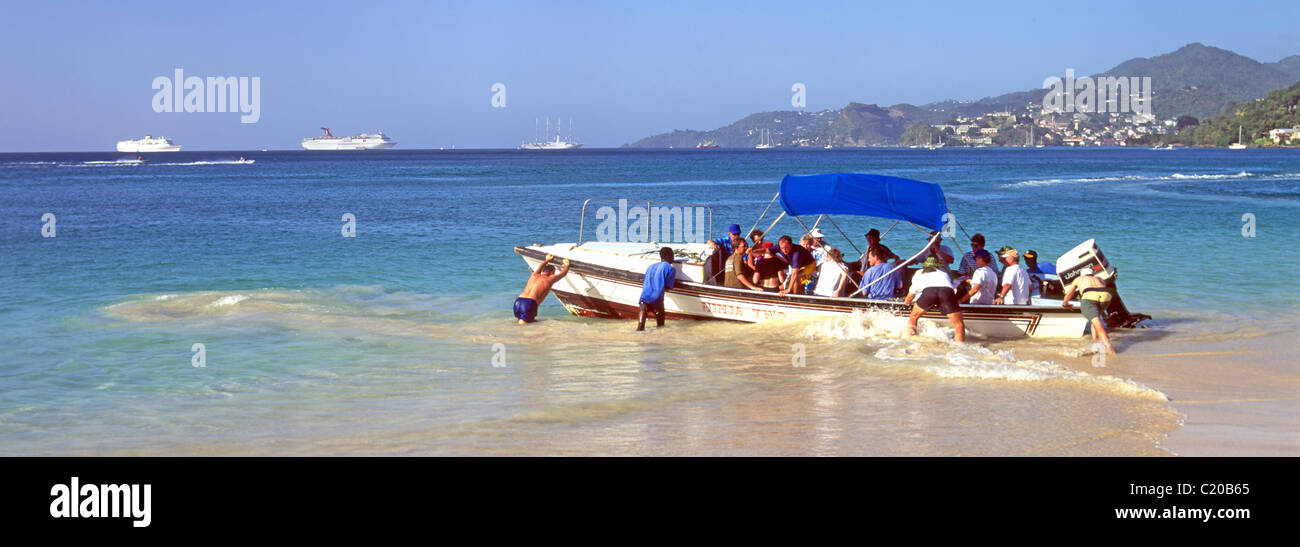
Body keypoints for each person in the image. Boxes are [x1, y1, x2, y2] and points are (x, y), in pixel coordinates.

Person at [903, 257, 965, 342]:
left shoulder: (919, 276)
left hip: (930, 292)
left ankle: (909, 340)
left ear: (924, 266)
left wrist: (906, 303)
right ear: (937, 267)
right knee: (959, 325)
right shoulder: (943, 274)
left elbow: (910, 295)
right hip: (946, 292)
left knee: (913, 317)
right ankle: (959, 347)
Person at [1062, 274, 1117, 355]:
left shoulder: (1079, 279)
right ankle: (1095, 343)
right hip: (1106, 296)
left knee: (1099, 326)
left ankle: (1109, 349)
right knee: (1095, 320)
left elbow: (1070, 293)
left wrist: (1065, 303)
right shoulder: (1099, 278)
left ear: (1082, 274)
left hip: (1090, 296)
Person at [515, 253, 571, 325]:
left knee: (529, 324)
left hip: (519, 301)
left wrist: (547, 260)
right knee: (524, 325)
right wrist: (567, 265)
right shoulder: (550, 279)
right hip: (529, 303)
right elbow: (563, 273)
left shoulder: (534, 275)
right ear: (552, 272)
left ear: (543, 271)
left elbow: (540, 267)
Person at [637, 247, 677, 331]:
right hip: (657, 300)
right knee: (661, 327)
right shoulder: (670, 268)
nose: (673, 258)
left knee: (640, 328)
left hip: (643, 299)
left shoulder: (650, 267)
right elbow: (668, 287)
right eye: (672, 256)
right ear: (667, 255)